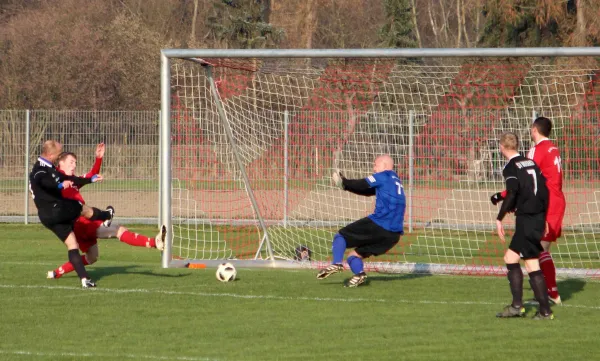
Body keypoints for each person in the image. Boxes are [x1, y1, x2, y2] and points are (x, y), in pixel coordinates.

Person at [46, 144, 166, 280]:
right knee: (118, 230)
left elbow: (92, 175)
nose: (74, 166)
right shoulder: (55, 178)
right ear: (60, 163)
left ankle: (57, 272)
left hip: (80, 225)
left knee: (92, 257)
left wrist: (98, 158)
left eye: (75, 163)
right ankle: (154, 242)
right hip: (81, 223)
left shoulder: (74, 181)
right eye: (71, 162)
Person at [491, 117, 564, 304]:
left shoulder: (536, 150)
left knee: (534, 251)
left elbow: (527, 181)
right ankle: (549, 293)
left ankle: (548, 295)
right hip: (556, 200)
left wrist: (501, 196)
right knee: (541, 249)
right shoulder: (553, 148)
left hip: (543, 202)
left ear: (534, 130)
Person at [29, 140, 114, 288]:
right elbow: (42, 182)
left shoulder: (49, 167)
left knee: (72, 244)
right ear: (50, 154)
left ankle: (84, 279)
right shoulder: (39, 170)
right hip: (54, 210)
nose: (59, 156)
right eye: (58, 154)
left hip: (47, 217)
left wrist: (90, 179)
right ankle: (106, 216)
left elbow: (70, 179)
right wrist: (60, 185)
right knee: (78, 206)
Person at [316, 154, 405, 287]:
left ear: (385, 165)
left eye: (375, 164)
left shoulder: (383, 175)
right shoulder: (395, 180)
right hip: (393, 236)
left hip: (379, 224)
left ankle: (336, 263)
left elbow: (362, 183)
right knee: (354, 255)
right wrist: (346, 186)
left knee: (341, 236)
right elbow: (368, 191)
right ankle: (359, 274)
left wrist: (344, 182)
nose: (374, 168)